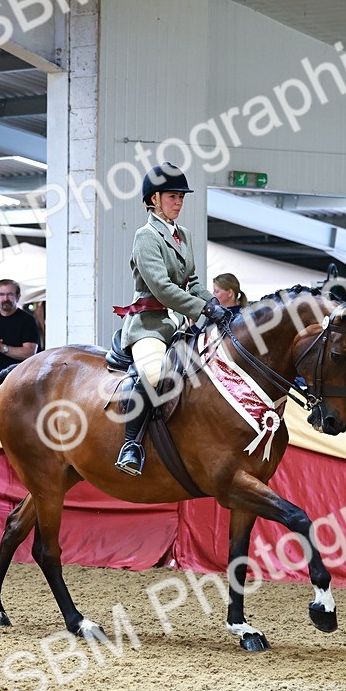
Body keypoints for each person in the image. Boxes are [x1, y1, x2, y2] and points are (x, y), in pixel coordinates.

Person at [111, 163, 230, 476]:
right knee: (153, 374)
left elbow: (192, 282)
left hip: (178, 325)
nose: (179, 202)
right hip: (149, 326)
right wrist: (202, 309)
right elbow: (162, 288)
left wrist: (214, 303)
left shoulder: (184, 235)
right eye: (172, 197)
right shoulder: (145, 237)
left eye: (181, 197)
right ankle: (131, 445)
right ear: (154, 199)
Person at [0, 279, 41, 376]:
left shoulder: (27, 320)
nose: (5, 299)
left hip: (22, 379)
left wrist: (1, 347)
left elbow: (30, 353)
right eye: (1, 294)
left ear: (18, 296)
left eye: (10, 294)